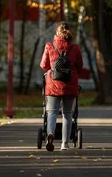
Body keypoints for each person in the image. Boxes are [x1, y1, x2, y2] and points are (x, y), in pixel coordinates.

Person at [40, 22, 83, 151]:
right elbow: (80, 66)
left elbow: (43, 65)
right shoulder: (75, 48)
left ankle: (50, 133)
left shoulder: (50, 46)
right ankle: (64, 143)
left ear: (57, 32)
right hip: (70, 86)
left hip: (53, 85)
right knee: (68, 114)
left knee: (52, 113)